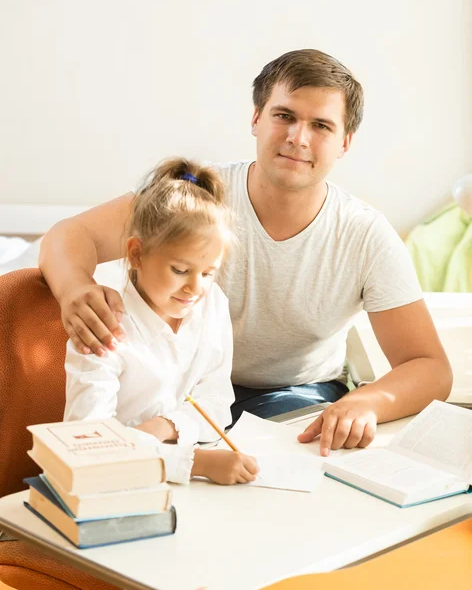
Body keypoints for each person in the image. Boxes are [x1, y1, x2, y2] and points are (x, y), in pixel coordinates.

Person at [39, 49, 452, 458]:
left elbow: (429, 367)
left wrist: (369, 401)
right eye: (284, 116)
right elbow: (71, 234)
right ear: (257, 119)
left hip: (296, 398)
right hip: (184, 393)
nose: (298, 138)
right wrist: (74, 286)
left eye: (321, 126)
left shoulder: (365, 234)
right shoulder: (197, 196)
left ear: (344, 142)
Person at [63, 157, 259, 485]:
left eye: (208, 272)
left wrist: (163, 427)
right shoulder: (105, 324)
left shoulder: (212, 305)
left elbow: (217, 403)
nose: (196, 288)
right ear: (136, 254)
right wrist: (194, 463)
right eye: (180, 270)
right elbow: (89, 446)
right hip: (111, 489)